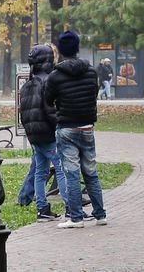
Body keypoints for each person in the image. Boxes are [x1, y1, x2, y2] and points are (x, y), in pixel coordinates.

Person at [45, 30, 107, 228]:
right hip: (87, 126)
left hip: (67, 127)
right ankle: (100, 214)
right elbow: (94, 94)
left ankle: (76, 217)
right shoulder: (91, 72)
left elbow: (47, 99)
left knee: (71, 173)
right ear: (78, 48)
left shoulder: (55, 76)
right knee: (91, 171)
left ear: (61, 50)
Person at [19, 44, 68, 221]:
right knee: (62, 169)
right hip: (49, 135)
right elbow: (50, 111)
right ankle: (70, 207)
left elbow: (22, 112)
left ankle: (42, 209)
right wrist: (59, 125)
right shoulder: (48, 82)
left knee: (41, 171)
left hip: (34, 136)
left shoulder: (27, 85)